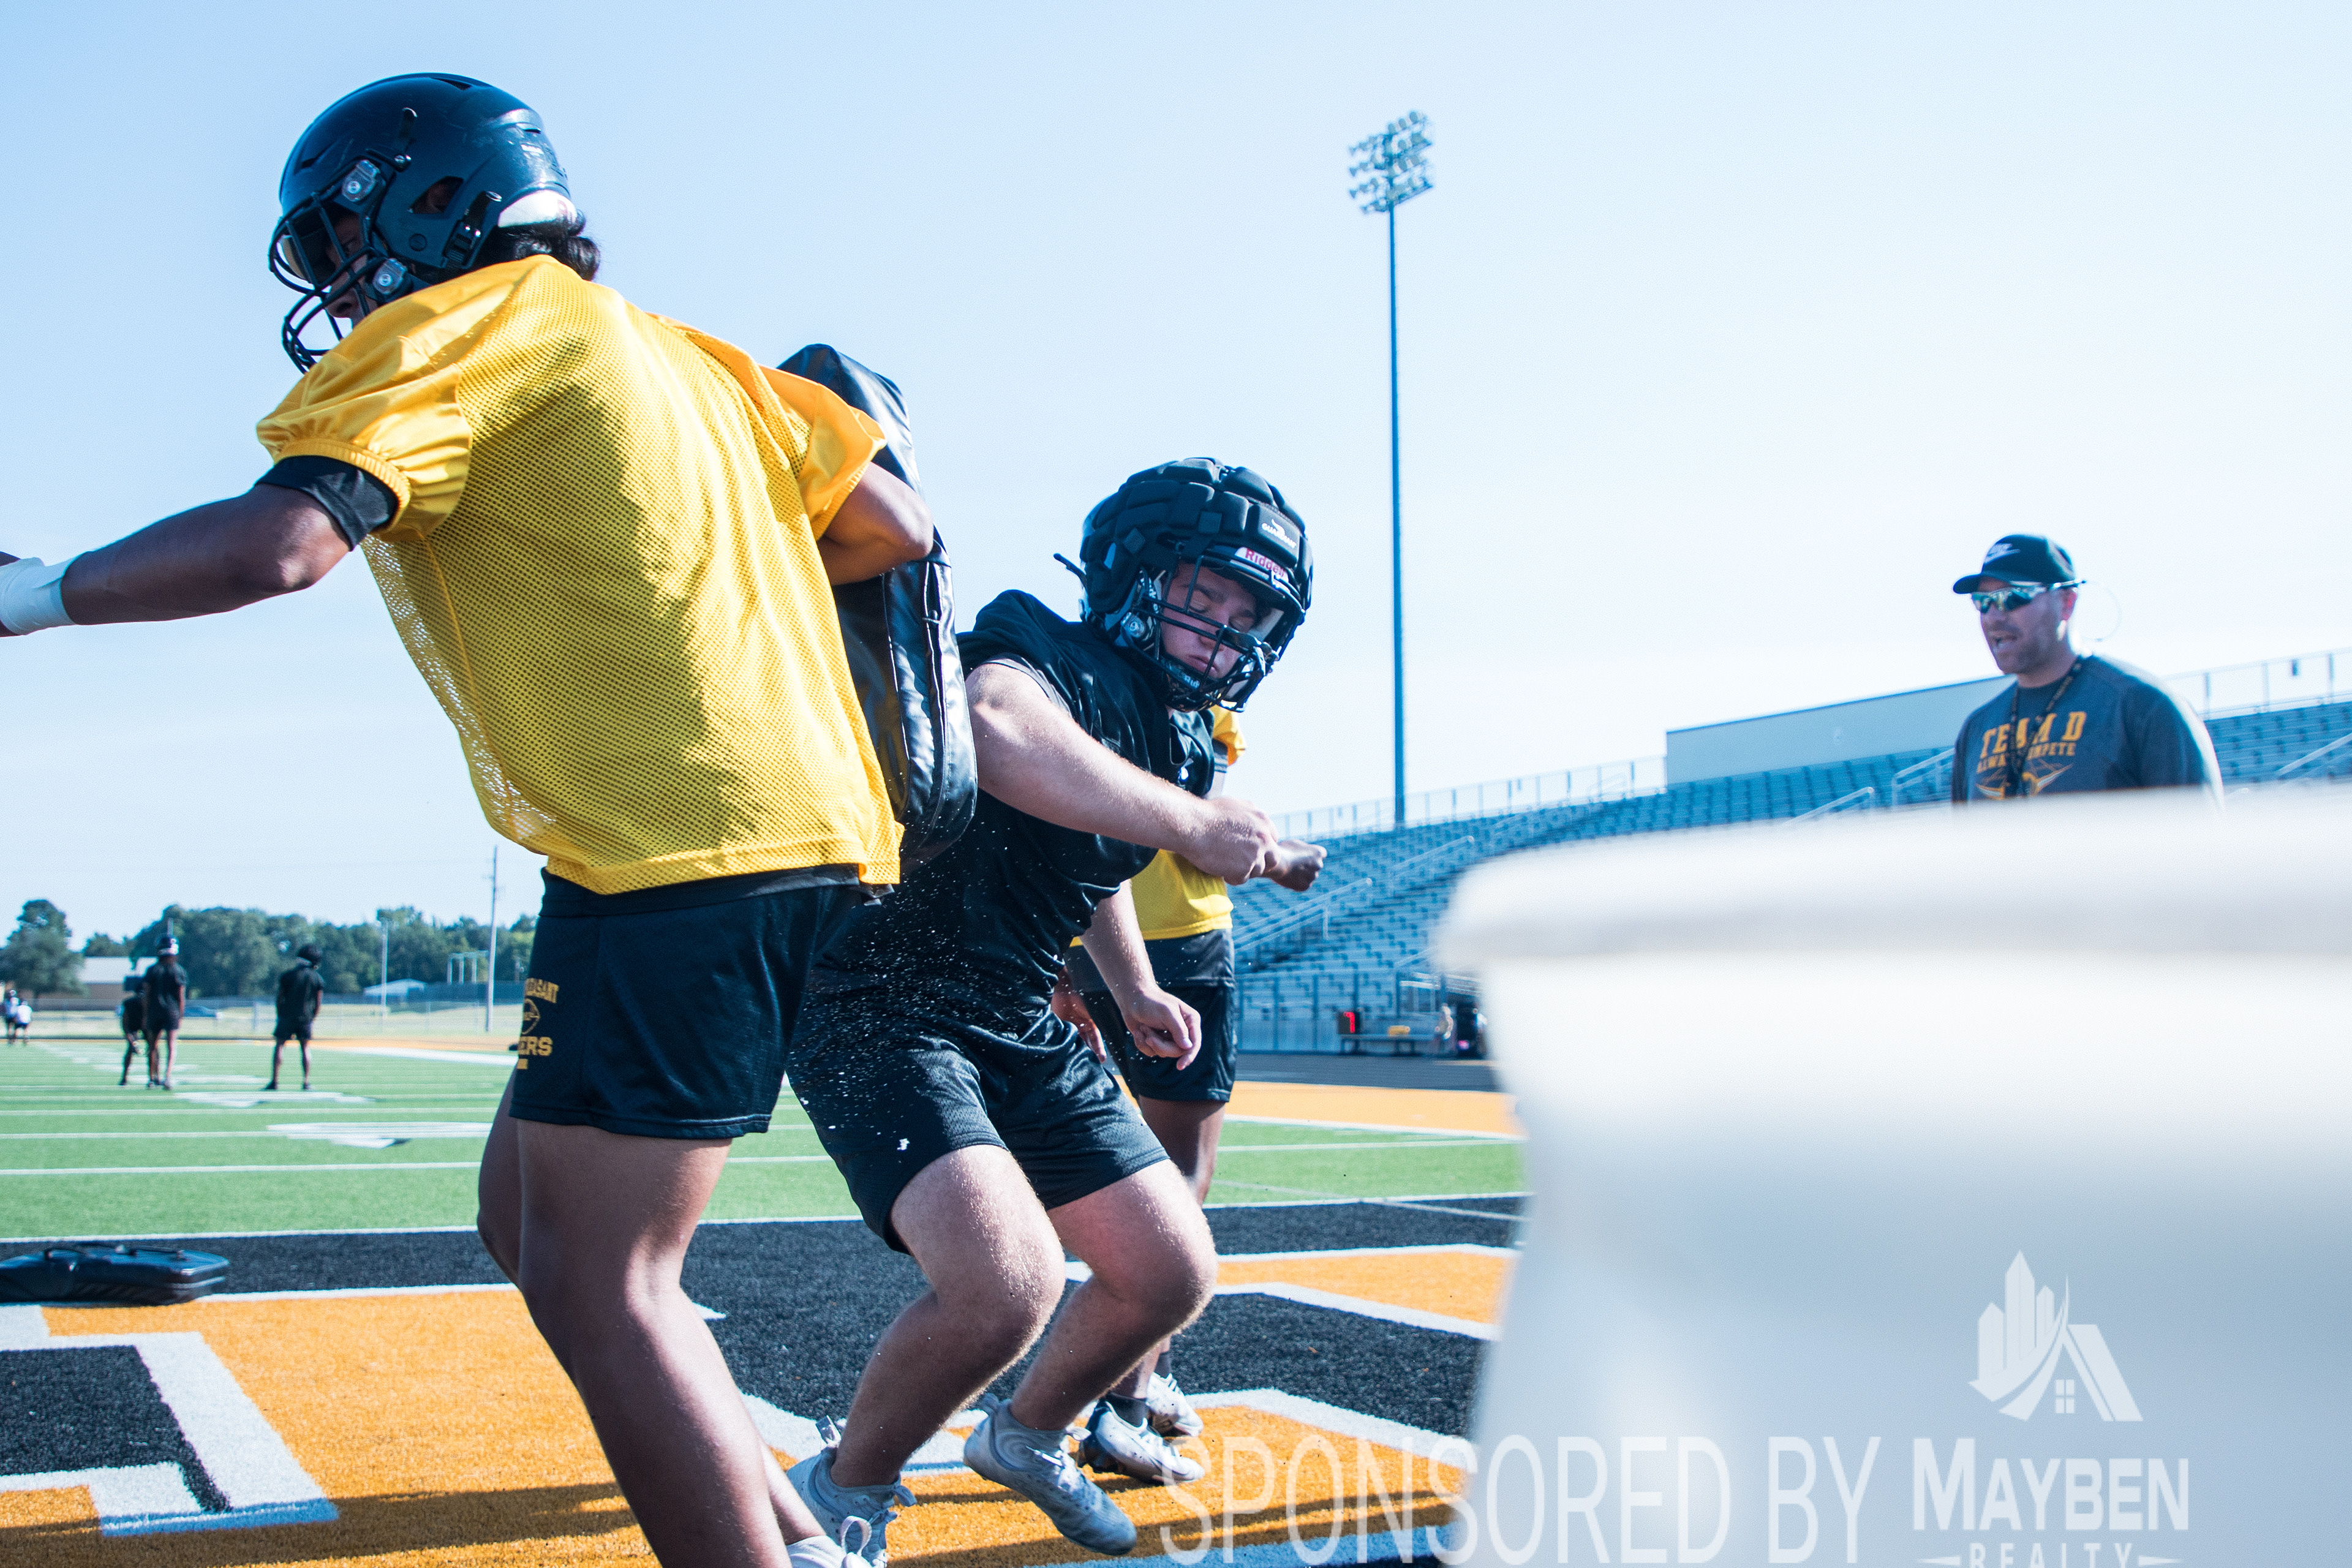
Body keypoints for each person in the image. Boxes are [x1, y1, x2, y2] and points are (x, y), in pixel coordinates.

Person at [0, 74, 930, 1568]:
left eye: (341, 245)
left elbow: (282, 542)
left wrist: (36, 593)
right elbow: (895, 524)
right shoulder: (688, 354)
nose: (340, 288)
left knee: (606, 1281)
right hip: (763, 834)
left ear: (427, 209)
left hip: (680, 845)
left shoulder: (469, 321)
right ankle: (781, 1523)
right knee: (527, 1221)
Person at [782, 458, 1313, 1559]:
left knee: (1169, 1271)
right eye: (1205, 595)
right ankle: (842, 1493)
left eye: (1249, 615)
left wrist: (1135, 984)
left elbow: (1092, 852)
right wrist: (1191, 823)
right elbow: (995, 727)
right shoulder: (1040, 642)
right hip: (889, 1001)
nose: (1226, 631)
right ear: (1132, 574)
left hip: (1022, 1007)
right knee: (1003, 1285)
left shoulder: (1177, 733)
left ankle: (1027, 1435)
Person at [1054, 705, 1325, 1441]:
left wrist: (1059, 965)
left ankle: (1156, 1372)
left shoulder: (1076, 680)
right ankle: (1125, 1396)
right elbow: (1202, 833)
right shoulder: (1202, 704)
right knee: (1182, 1171)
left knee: (1140, 1157)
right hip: (1180, 938)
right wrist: (1282, 859)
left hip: (1091, 937)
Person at [1950, 535, 2220, 802]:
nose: (1993, 616)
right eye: (1982, 601)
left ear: (2066, 602)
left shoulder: (2141, 707)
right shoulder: (1977, 729)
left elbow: (2200, 826)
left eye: (2012, 597)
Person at [270, 943, 327, 1092]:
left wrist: (281, 1014)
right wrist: (312, 1017)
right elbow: (318, 1004)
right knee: (305, 1048)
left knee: (280, 1045)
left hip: (287, 1015)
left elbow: (279, 998)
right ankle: (306, 1082)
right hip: (305, 1017)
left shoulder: (288, 975)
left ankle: (275, 1081)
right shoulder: (317, 978)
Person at [140, 940, 189, 1090]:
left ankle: (152, 1078)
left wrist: (145, 1014)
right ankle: (167, 1077)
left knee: (152, 1046)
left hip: (154, 1011)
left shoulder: (152, 970)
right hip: (172, 1012)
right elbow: (181, 997)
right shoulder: (179, 970)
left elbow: (147, 995)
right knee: (171, 1046)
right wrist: (181, 1015)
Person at [117, 974, 145, 1083]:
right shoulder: (130, 1004)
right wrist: (132, 1041)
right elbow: (125, 1024)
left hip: (146, 1026)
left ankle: (154, 1077)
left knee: (153, 1049)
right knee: (130, 1049)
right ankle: (124, 1077)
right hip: (133, 1026)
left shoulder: (151, 1004)